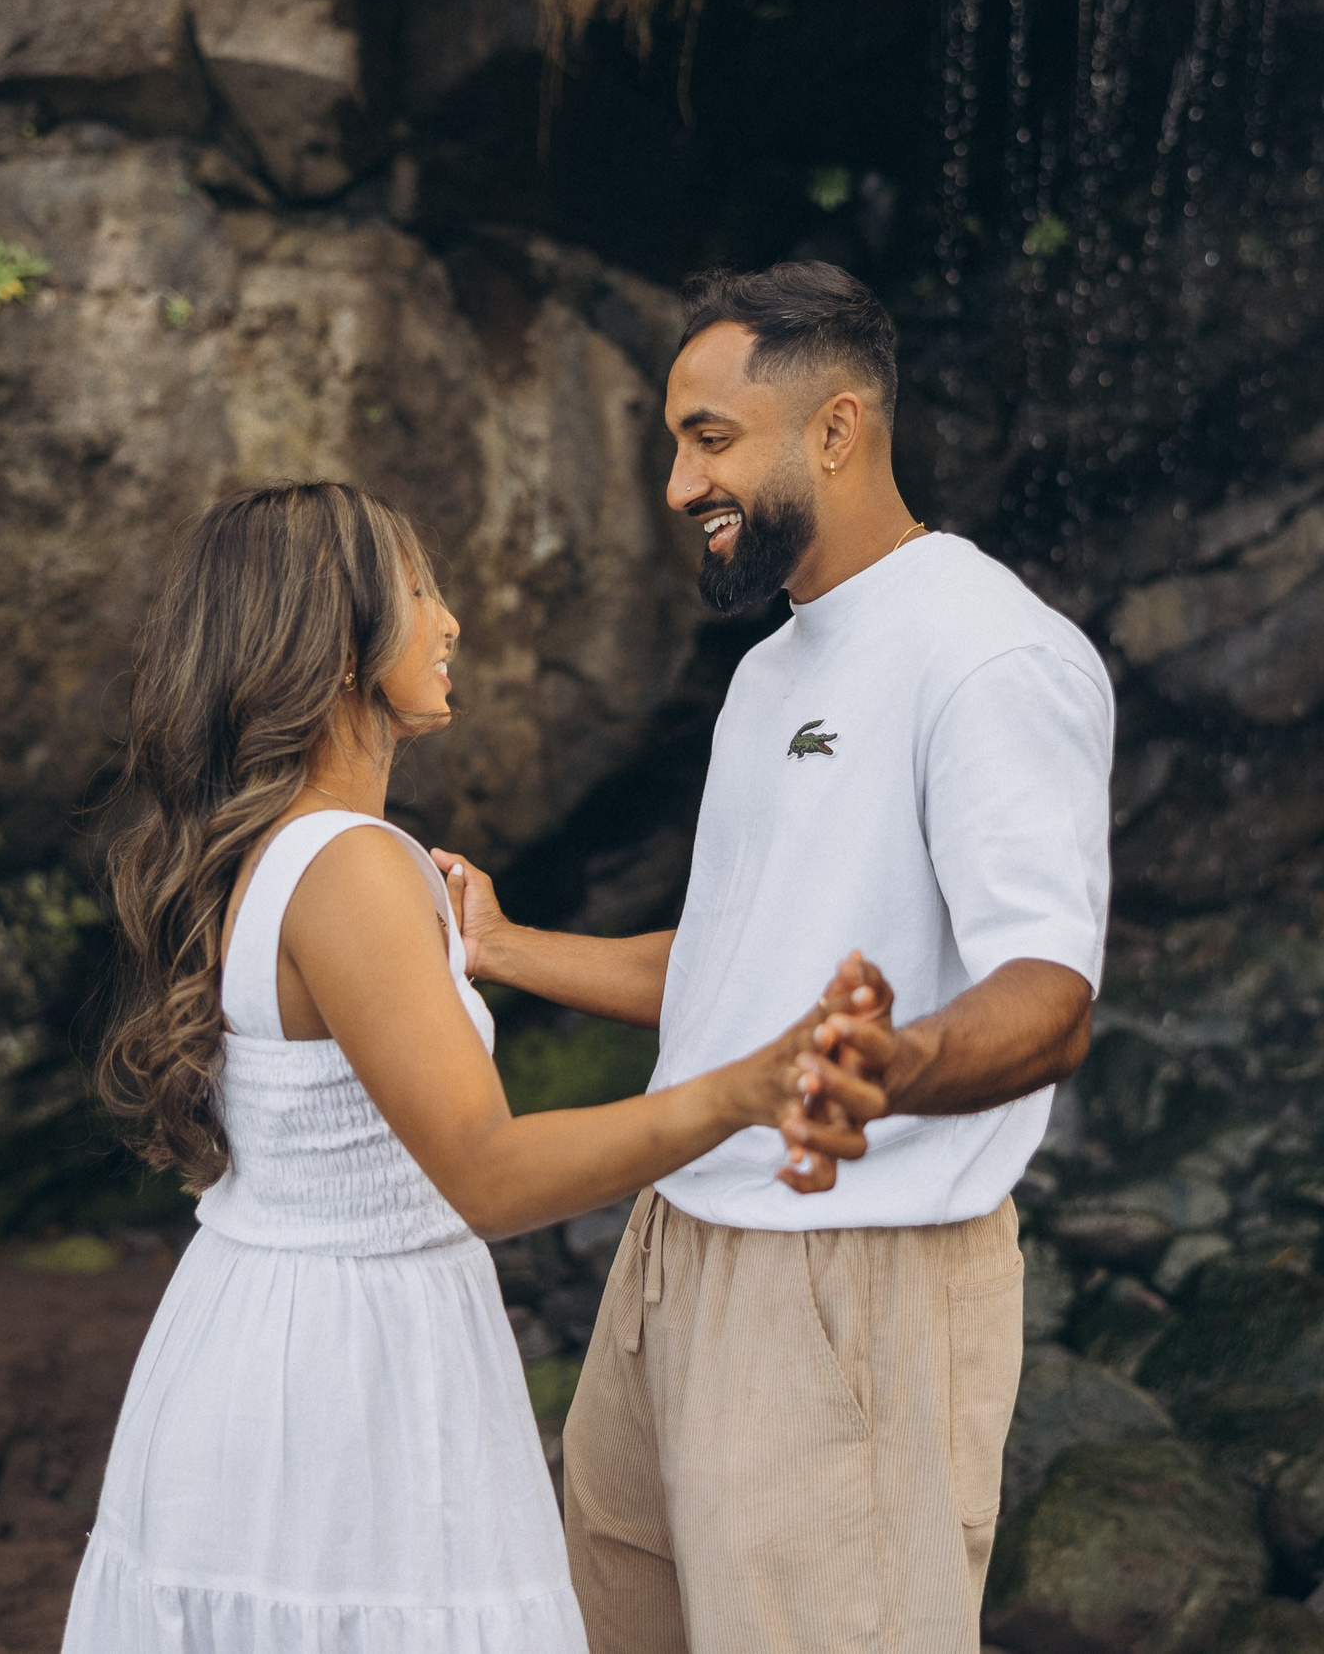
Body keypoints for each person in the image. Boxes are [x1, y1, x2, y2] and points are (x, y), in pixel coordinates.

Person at [60, 480, 890, 1654]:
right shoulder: (353, 867)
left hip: (271, 1334)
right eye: (418, 590)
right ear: (337, 644)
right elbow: (489, 1174)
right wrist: (743, 1092)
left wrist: (503, 950)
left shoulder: (282, 850)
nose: (450, 622)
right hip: (349, 1383)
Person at [433, 262, 1115, 1653]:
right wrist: (504, 947)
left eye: (710, 437)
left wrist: (897, 1062)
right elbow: (736, 963)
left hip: (851, 1271)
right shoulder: (772, 669)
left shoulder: (989, 654)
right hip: (676, 1238)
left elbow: (1050, 997)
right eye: (677, 443)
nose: (682, 483)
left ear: (837, 430)